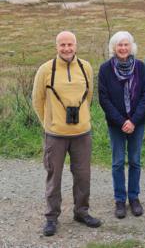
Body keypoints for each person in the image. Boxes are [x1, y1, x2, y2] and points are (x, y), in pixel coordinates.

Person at [32, 31, 101, 236]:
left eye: (70, 44)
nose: (67, 48)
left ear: (76, 46)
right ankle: (51, 218)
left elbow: (88, 96)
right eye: (62, 45)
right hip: (55, 135)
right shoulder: (45, 69)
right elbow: (38, 100)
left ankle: (81, 212)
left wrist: (82, 118)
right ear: (57, 46)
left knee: (83, 176)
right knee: (54, 177)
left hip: (82, 133)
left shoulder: (85, 67)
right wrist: (50, 123)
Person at [98, 31, 145, 219]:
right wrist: (122, 122)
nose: (123, 48)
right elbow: (103, 98)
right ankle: (120, 200)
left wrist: (133, 120)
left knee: (135, 161)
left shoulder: (140, 67)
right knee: (118, 162)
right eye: (119, 45)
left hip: (137, 123)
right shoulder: (105, 69)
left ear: (131, 47)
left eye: (126, 44)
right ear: (113, 47)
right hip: (116, 124)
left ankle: (134, 198)